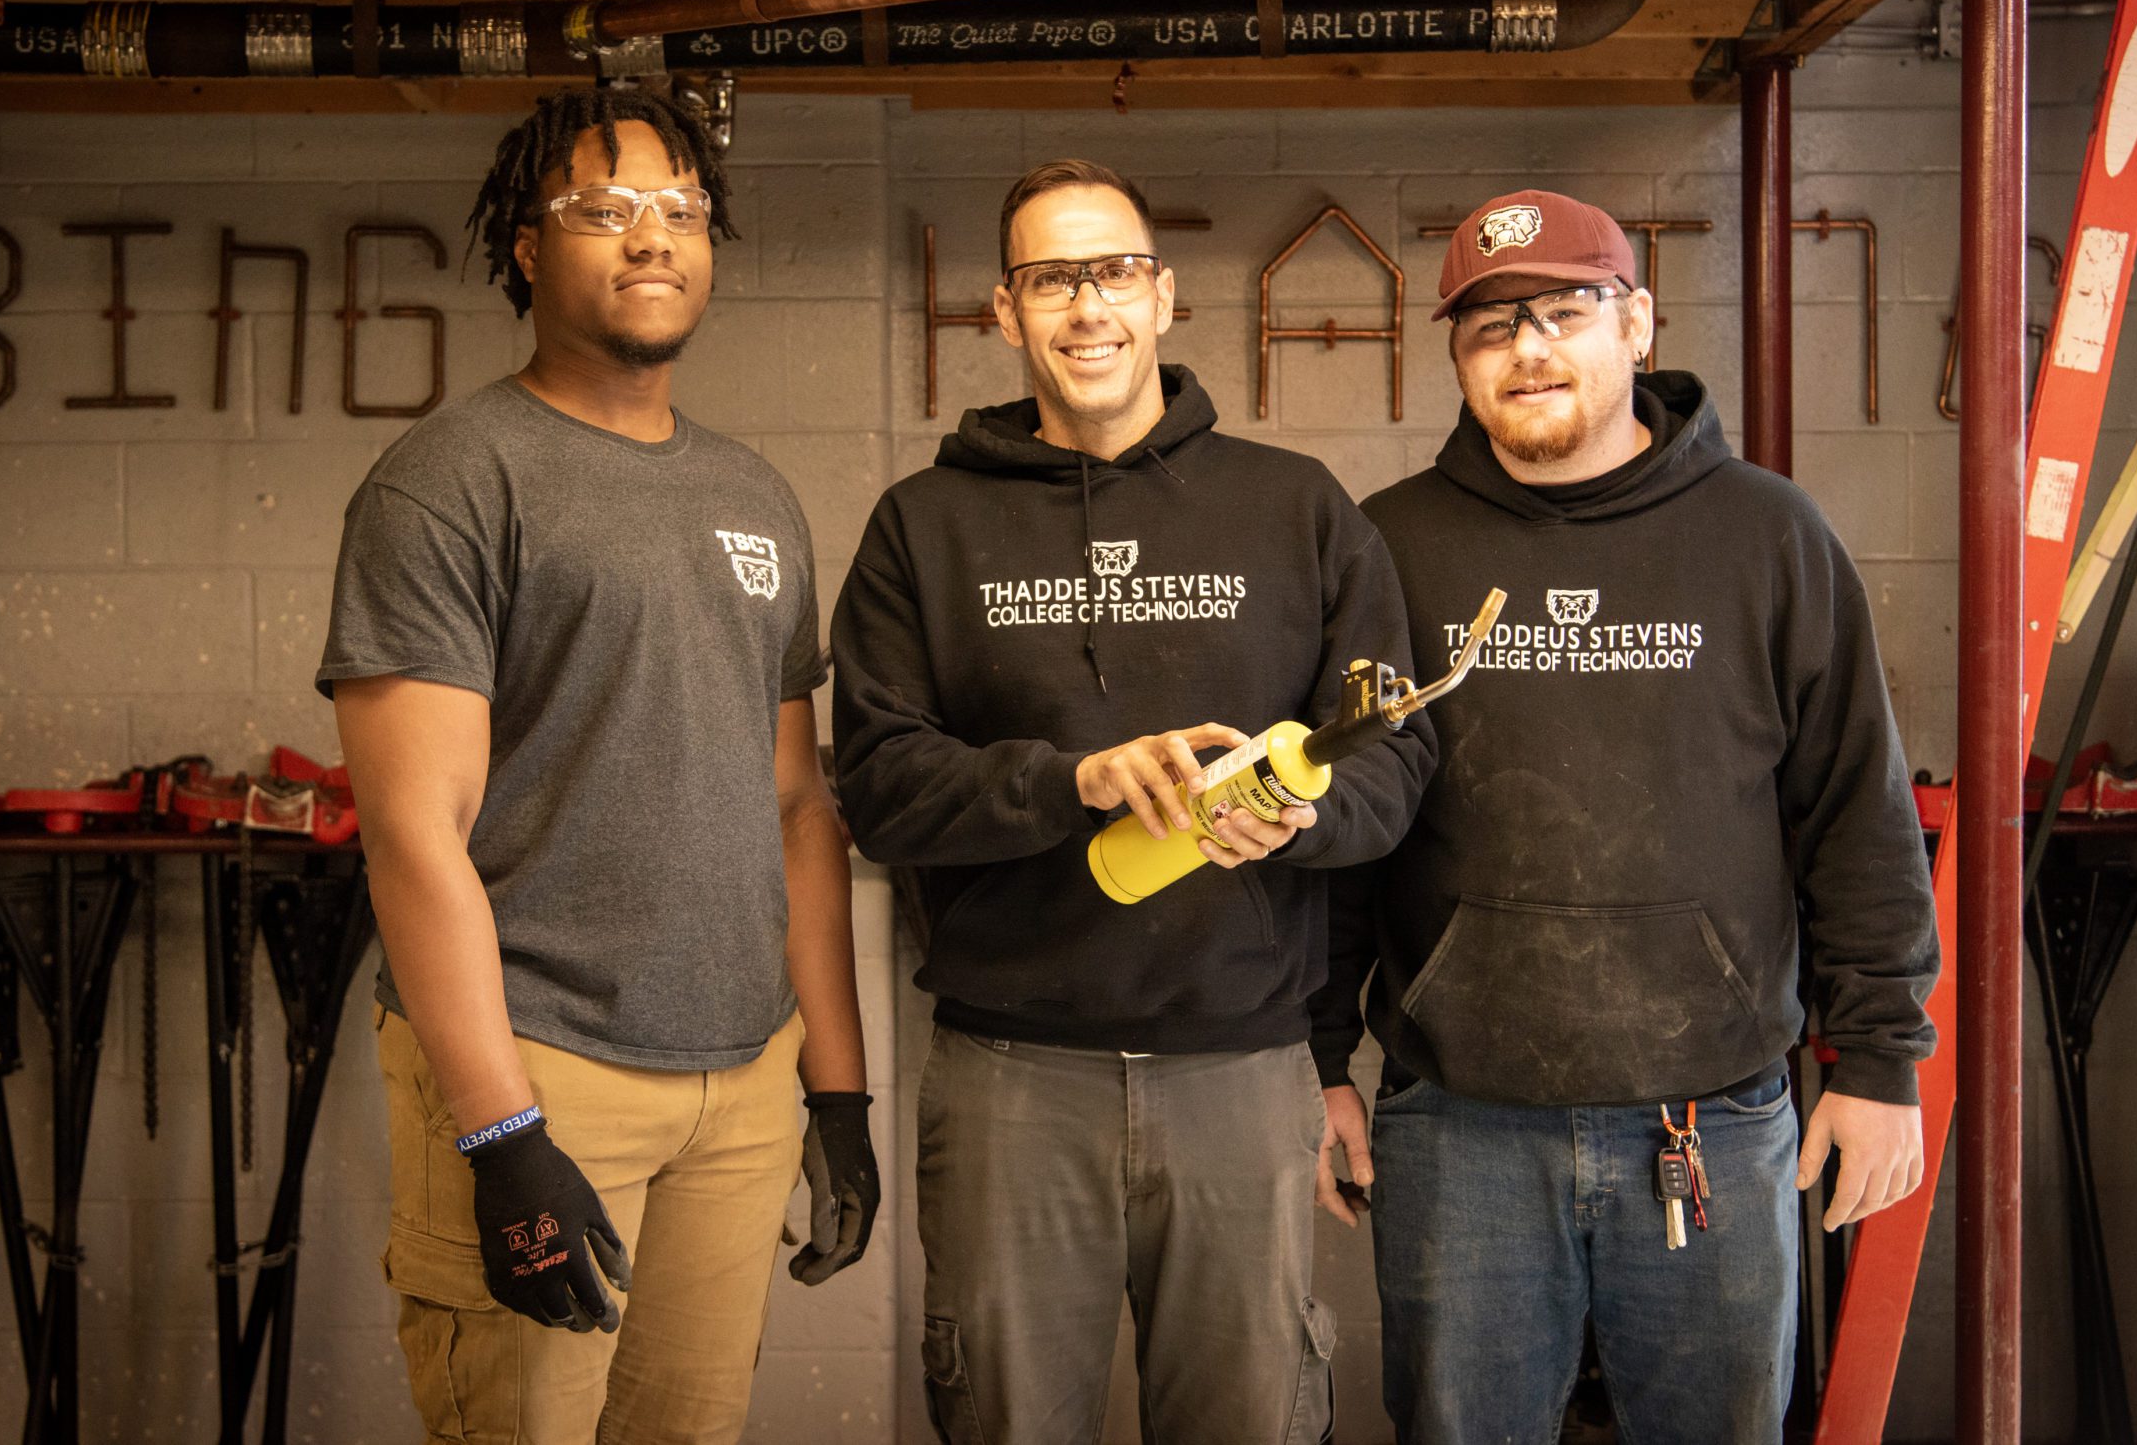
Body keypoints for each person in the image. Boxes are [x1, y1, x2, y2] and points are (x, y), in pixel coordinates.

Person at [1313, 189, 1940, 1444]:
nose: (1528, 347)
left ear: (1637, 324)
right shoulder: (1388, 546)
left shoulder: (1768, 534)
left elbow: (1854, 810)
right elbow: (1340, 832)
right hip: (1459, 1120)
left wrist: (1876, 1059)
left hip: (1710, 1117)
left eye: (1562, 310)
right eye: (1490, 327)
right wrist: (1318, 1054)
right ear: (1456, 357)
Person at [830, 159, 1431, 1444]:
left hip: (1243, 1073)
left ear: (1161, 295)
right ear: (1004, 311)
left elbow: (1392, 754)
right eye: (1051, 277)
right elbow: (877, 786)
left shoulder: (1296, 508)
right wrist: (1069, 780)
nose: (1086, 304)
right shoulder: (922, 526)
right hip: (1009, 1075)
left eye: (1112, 270)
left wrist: (1309, 817)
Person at [319, 85, 878, 1445]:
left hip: (740, 1083)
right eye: (604, 208)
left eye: (682, 210)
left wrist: (839, 1089)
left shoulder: (755, 497)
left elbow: (797, 806)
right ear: (525, 245)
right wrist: (502, 1138)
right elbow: (413, 834)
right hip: (542, 1066)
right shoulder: (451, 481)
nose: (652, 238)